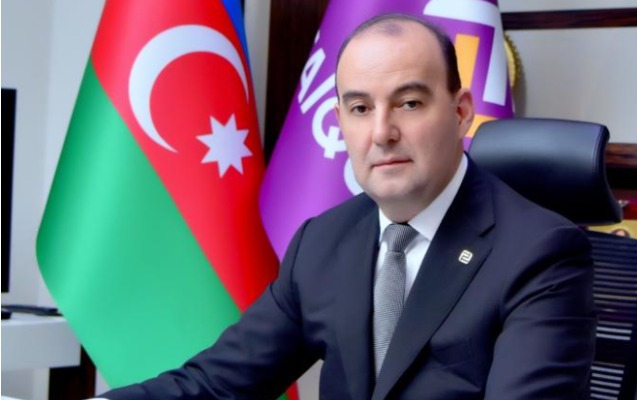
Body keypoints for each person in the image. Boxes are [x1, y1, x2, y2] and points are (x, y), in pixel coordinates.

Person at [100, 13, 595, 399]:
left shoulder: (540, 253)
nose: (381, 132)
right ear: (340, 121)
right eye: (360, 109)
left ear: (461, 111)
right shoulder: (322, 241)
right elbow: (217, 384)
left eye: (409, 103)